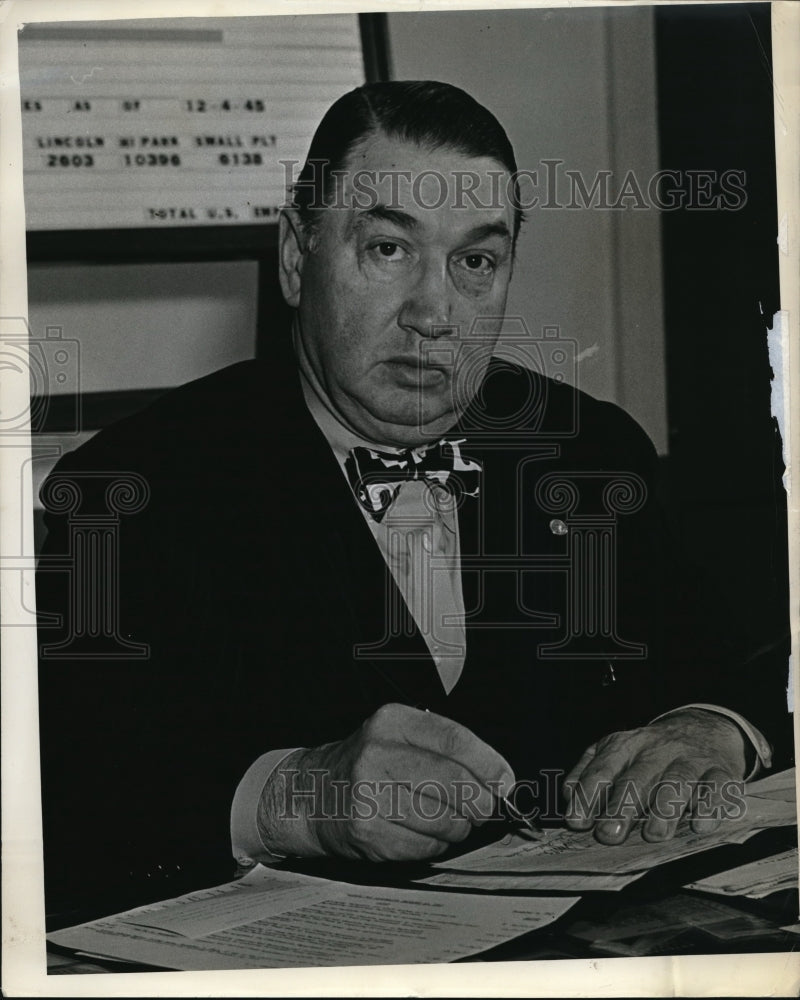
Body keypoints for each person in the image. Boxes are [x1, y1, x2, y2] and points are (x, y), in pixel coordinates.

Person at [36, 81, 789, 915]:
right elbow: (65, 801)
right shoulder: (131, 489)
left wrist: (709, 725)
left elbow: (743, 661)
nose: (436, 315)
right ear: (297, 256)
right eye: (389, 250)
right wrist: (292, 798)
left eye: (476, 261)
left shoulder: (590, 447)